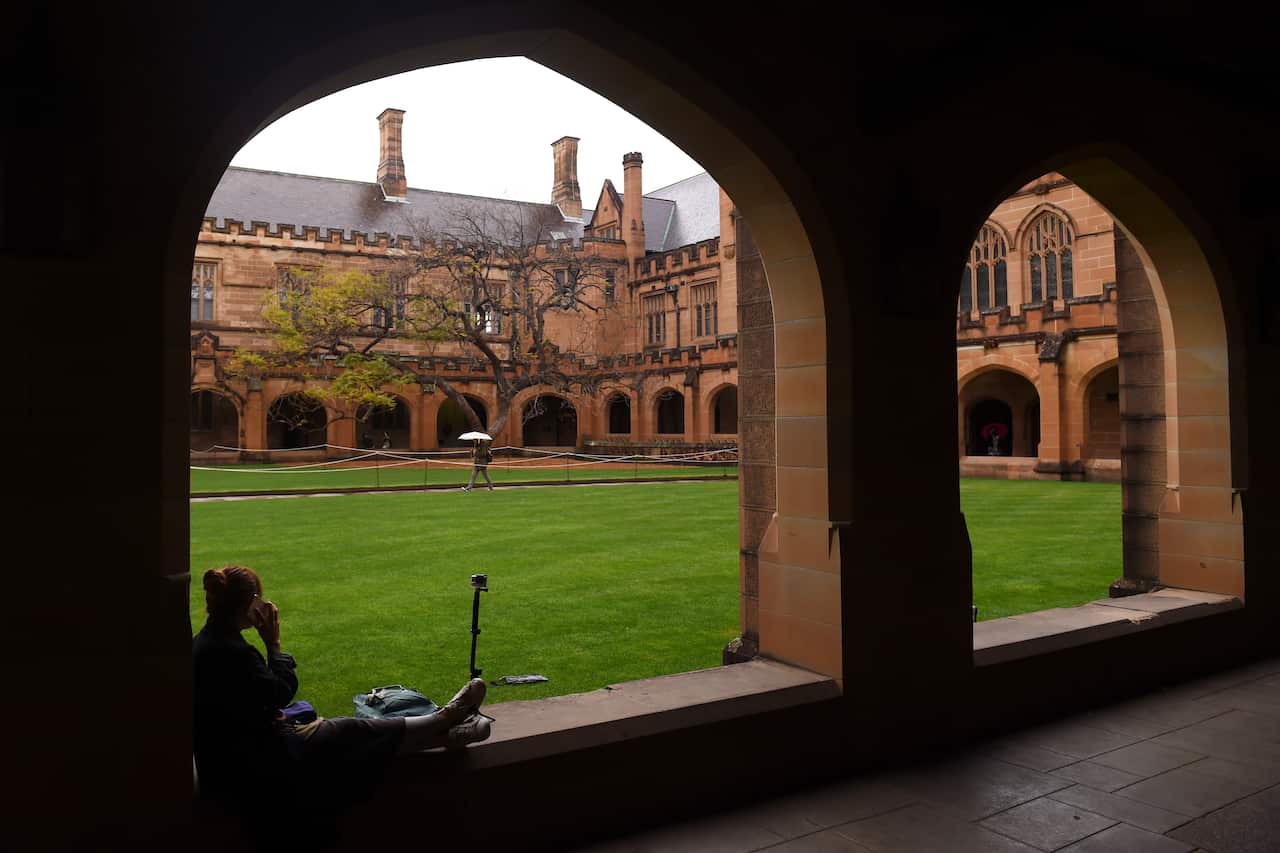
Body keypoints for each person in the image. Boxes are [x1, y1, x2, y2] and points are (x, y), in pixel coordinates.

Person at [193, 565, 490, 838]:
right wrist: (273, 644)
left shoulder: (207, 641)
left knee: (355, 736)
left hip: (228, 762)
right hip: (256, 765)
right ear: (251, 602)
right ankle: (444, 719)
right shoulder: (234, 651)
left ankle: (446, 732)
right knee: (351, 730)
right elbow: (280, 692)